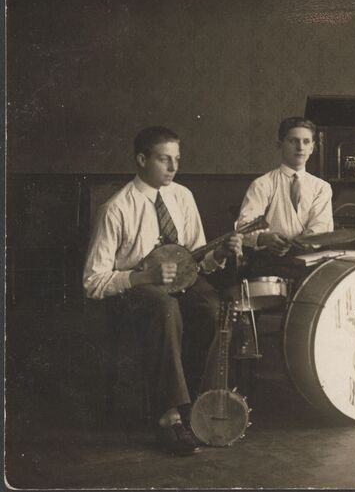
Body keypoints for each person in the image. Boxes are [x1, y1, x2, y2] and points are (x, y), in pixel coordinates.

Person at [83, 126, 242, 455]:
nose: (173, 168)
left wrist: (220, 255)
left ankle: (197, 408)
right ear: (142, 160)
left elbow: (197, 258)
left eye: (177, 160)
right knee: (165, 308)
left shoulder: (182, 196)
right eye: (164, 159)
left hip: (181, 283)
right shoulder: (116, 209)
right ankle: (169, 418)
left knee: (214, 310)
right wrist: (142, 278)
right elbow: (93, 281)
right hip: (134, 292)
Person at [236, 117, 333, 279]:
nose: (300, 147)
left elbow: (321, 225)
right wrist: (264, 238)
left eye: (306, 142)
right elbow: (244, 225)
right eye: (293, 141)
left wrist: (307, 237)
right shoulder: (262, 184)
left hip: (308, 263)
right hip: (270, 263)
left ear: (312, 148)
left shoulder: (321, 188)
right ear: (279, 145)